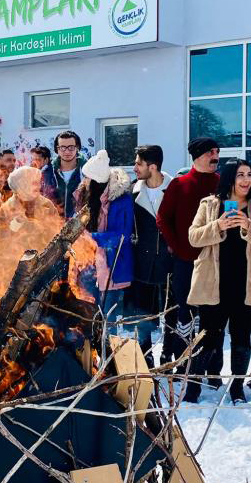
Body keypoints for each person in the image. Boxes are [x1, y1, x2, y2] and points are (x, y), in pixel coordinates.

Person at [185, 160, 251, 404]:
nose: (246, 180)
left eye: (249, 174)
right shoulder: (209, 204)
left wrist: (248, 225)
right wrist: (218, 225)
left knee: (242, 337)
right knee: (207, 337)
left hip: (246, 284)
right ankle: (193, 388)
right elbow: (193, 237)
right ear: (229, 178)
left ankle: (237, 387)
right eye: (240, 175)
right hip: (214, 282)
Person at [156, 137, 220, 369]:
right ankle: (185, 366)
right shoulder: (180, 184)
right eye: (210, 153)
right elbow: (163, 218)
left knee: (213, 316)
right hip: (185, 261)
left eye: (216, 151)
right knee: (186, 315)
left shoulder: (222, 184)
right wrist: (176, 246)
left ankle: (211, 369)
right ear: (197, 156)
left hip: (215, 263)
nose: (215, 156)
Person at [125, 145, 172, 368]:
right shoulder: (132, 192)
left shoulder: (175, 190)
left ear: (152, 167)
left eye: (138, 163)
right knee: (142, 316)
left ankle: (169, 356)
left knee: (172, 316)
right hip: (142, 264)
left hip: (171, 263)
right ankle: (146, 357)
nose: (134, 167)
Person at [73, 150, 134, 315]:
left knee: (109, 316)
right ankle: (93, 341)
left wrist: (91, 238)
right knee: (88, 314)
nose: (85, 181)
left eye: (89, 178)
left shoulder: (121, 199)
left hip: (112, 264)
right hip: (86, 264)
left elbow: (122, 235)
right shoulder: (83, 195)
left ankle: (107, 341)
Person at [0, 166, 62, 251]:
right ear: (20, 185)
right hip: (16, 259)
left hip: (45, 257)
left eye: (39, 183)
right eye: (33, 183)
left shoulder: (47, 204)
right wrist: (15, 226)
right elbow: (2, 242)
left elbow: (56, 234)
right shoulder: (5, 209)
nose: (38, 186)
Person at [42, 131, 87, 218]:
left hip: (79, 227)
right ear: (57, 149)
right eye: (63, 147)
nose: (67, 152)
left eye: (71, 147)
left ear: (77, 148)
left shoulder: (87, 172)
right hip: (52, 226)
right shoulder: (47, 173)